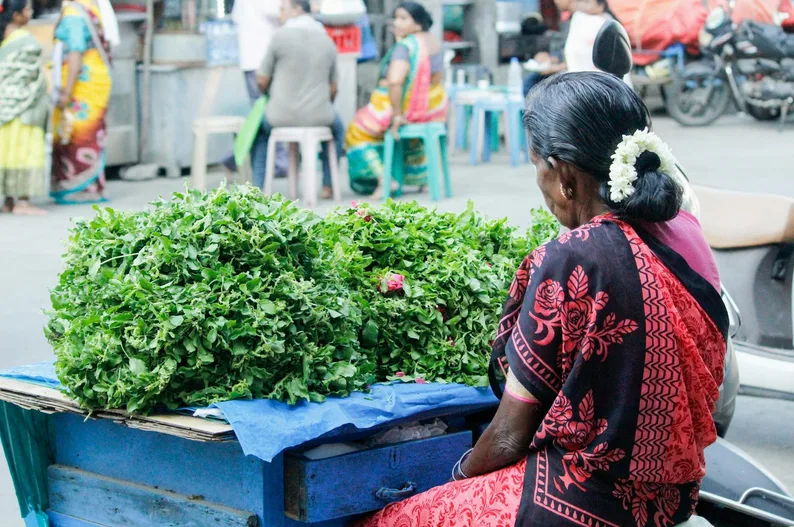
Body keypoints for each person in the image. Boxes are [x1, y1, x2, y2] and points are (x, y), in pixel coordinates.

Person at [356, 72, 727, 527]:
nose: (539, 182)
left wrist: (457, 479)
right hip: (669, 502)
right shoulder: (685, 232)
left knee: (386, 520)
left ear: (563, 173)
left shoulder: (573, 258)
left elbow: (509, 437)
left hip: (581, 504)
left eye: (537, 167)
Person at [345, 1, 448, 198]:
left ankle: (384, 179)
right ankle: (423, 179)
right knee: (410, 137)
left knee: (356, 130)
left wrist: (397, 115)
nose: (396, 23)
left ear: (417, 24)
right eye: (396, 18)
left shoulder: (405, 46)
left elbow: (395, 82)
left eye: (403, 19)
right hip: (432, 108)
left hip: (406, 107)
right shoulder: (433, 41)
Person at [256, 0, 344, 199]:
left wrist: (269, 95)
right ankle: (328, 186)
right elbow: (334, 87)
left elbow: (262, 79)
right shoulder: (327, 41)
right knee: (338, 131)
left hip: (280, 116)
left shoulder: (279, 37)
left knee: (259, 134)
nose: (280, 14)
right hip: (320, 117)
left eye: (283, 9)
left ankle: (256, 190)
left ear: (297, 10)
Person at [51, 0, 113, 204]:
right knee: (89, 132)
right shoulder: (91, 6)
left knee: (77, 133)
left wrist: (66, 92)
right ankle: (91, 186)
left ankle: (80, 187)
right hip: (95, 78)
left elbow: (76, 52)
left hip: (82, 83)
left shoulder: (74, 13)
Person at [222, 0, 288, 181]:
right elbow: (282, 13)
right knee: (267, 114)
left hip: (252, 61)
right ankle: (237, 158)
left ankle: (237, 159)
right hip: (262, 63)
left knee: (262, 114)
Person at [0, 0, 48, 215]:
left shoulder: (5, 39)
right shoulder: (26, 41)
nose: (31, 12)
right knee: (25, 152)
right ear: (16, 15)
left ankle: (9, 201)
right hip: (24, 108)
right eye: (27, 9)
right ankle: (23, 202)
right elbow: (30, 77)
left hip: (3, 107)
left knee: (7, 152)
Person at [522, 0, 571, 96]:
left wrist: (556, 67)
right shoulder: (567, 20)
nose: (556, 2)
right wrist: (551, 59)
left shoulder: (579, 22)